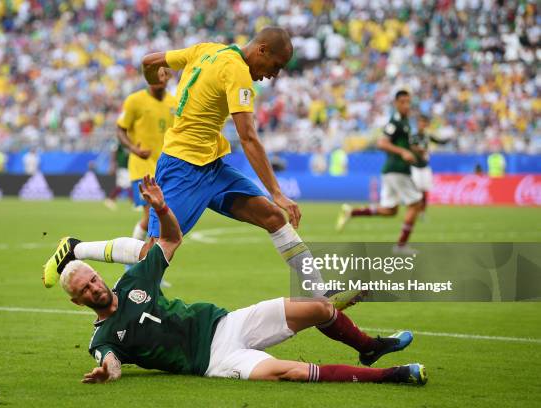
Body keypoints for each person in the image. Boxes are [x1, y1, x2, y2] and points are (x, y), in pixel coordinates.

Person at [44, 176, 427, 385]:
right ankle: (389, 376)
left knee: (320, 307)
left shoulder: (132, 283)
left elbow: (171, 239)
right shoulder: (102, 338)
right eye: (85, 291)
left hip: (227, 322)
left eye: (92, 279)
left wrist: (161, 208)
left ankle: (368, 346)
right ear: (78, 302)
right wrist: (106, 372)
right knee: (289, 371)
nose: (94, 288)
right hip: (215, 360)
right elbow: (109, 361)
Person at [140, 26, 341, 300]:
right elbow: (248, 138)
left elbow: (149, 61)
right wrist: (278, 193)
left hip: (212, 165)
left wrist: (156, 80)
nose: (274, 75)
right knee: (156, 250)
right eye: (276, 65)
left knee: (273, 217)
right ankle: (83, 255)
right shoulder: (237, 72)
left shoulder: (206, 49)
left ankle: (320, 292)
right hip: (182, 166)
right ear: (261, 50)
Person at [336, 90, 422, 254]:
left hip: (393, 171)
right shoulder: (395, 122)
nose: (406, 105)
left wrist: (413, 150)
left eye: (408, 102)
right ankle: (401, 246)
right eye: (403, 102)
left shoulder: (405, 122)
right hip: (397, 170)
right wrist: (403, 152)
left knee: (390, 210)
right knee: (415, 204)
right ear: (396, 103)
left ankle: (352, 212)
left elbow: (403, 144)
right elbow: (382, 143)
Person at [115, 68, 176, 240]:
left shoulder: (174, 103)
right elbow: (120, 129)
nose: (159, 77)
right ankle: (132, 261)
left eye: (163, 74)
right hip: (142, 167)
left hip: (165, 167)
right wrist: (134, 149)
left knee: (161, 217)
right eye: (155, 74)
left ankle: (143, 258)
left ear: (168, 77)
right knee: (150, 215)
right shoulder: (134, 100)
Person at [409, 115, 449, 216]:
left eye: (424, 122)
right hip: (415, 167)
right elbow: (411, 146)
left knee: (425, 191)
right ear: (417, 124)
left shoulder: (427, 136)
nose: (422, 124)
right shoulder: (413, 136)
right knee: (415, 191)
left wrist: (449, 138)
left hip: (425, 167)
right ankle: (413, 211)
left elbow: (439, 141)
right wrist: (420, 151)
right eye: (420, 122)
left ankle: (422, 212)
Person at [104, 142, 133, 210]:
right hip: (122, 167)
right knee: (128, 185)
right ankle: (134, 203)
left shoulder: (127, 142)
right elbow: (113, 152)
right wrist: (112, 165)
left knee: (121, 185)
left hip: (127, 167)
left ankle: (110, 199)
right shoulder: (119, 143)